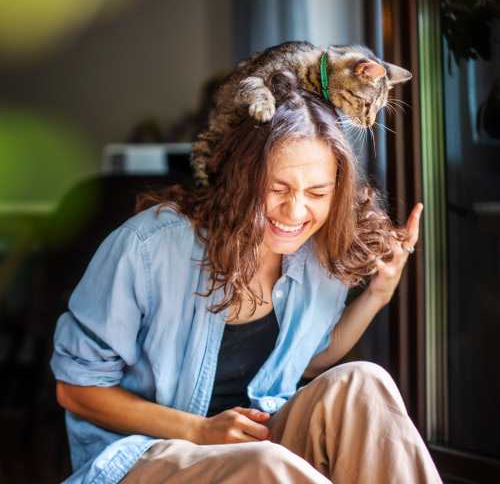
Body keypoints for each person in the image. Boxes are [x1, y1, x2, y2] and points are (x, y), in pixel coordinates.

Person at [51, 79, 442, 483]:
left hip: (261, 443)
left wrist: (379, 292)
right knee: (264, 463)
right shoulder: (149, 246)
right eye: (278, 188)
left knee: (364, 383)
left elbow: (308, 360)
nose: (295, 210)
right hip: (148, 455)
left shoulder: (318, 250)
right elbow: (76, 390)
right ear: (242, 177)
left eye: (317, 193)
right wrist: (200, 432)